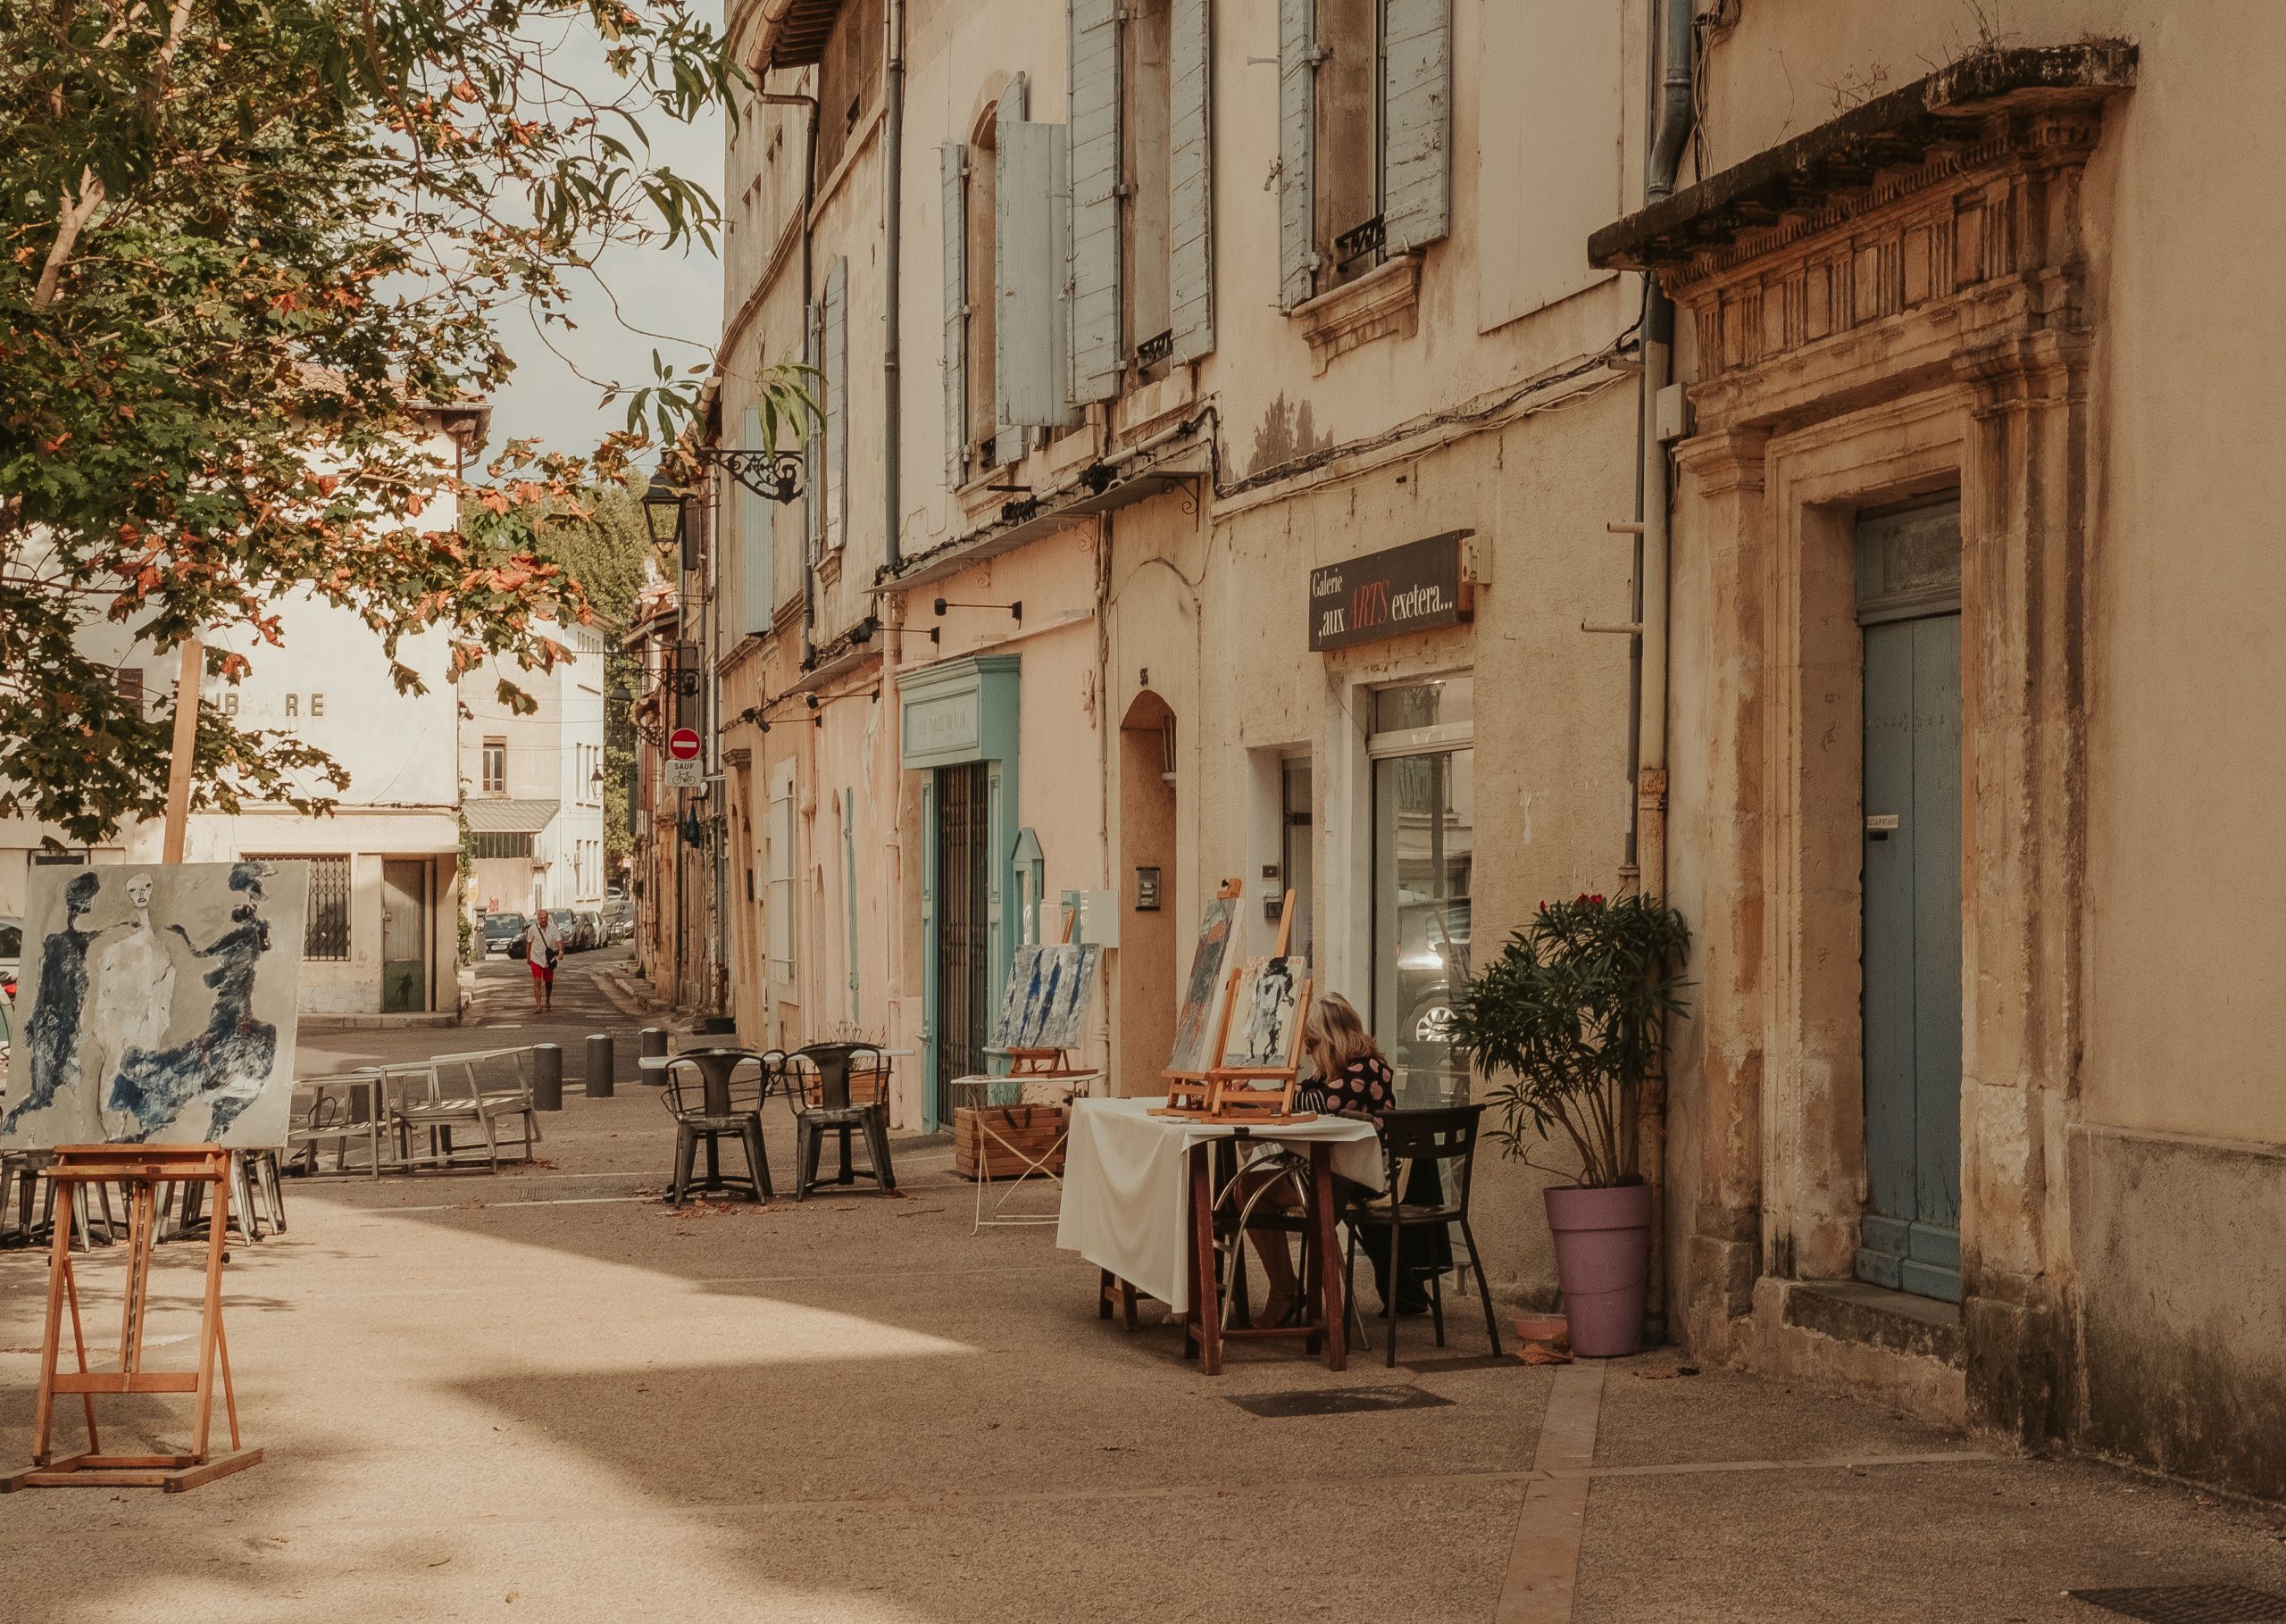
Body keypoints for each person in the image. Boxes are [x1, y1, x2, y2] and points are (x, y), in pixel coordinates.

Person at [1244, 994, 1448, 1324]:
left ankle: (1285, 1292)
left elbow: (1317, 1102)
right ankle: (1284, 1289)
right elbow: (1301, 1096)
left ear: (1329, 1038)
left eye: (1310, 1042)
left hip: (1362, 1177)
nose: (1309, 1051)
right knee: (1248, 1189)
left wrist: (1271, 1096)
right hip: (1341, 1171)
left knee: (1251, 1191)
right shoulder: (1336, 1073)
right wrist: (1270, 1096)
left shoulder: (1369, 1070)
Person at [522, 910, 564, 1012]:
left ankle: (548, 1000)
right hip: (536, 958)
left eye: (545, 918)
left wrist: (560, 951)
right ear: (538, 919)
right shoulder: (532, 929)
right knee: (537, 981)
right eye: (541, 918)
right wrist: (528, 957)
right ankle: (538, 1006)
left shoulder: (553, 928)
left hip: (548, 959)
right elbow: (528, 944)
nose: (543, 920)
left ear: (547, 917)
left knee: (549, 982)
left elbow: (559, 941)